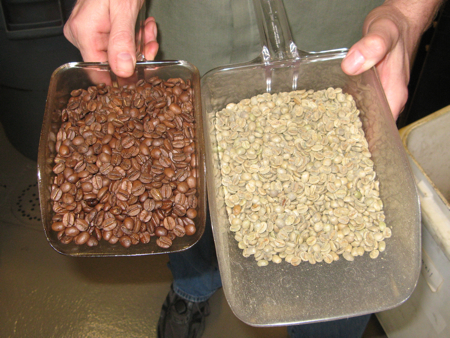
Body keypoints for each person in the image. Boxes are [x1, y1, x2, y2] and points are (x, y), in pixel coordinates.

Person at [64, 1, 444, 337]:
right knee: (183, 188)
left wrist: (407, 15)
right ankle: (193, 287)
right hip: (194, 28)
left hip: (337, 36)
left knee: (338, 292)